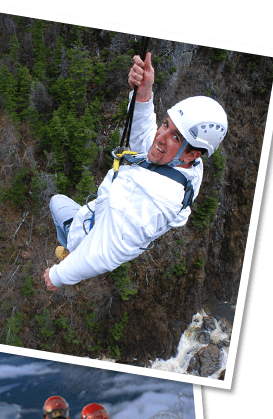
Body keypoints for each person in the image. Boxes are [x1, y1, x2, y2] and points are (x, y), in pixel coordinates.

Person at [44, 52, 227, 292]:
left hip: (91, 235)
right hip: (99, 215)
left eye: (175, 137)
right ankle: (71, 248)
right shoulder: (185, 166)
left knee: (57, 204)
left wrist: (58, 275)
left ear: (192, 153)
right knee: (58, 202)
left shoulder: (148, 203)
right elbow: (144, 143)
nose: (160, 137)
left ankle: (70, 250)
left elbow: (103, 254)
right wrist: (143, 93)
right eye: (166, 125)